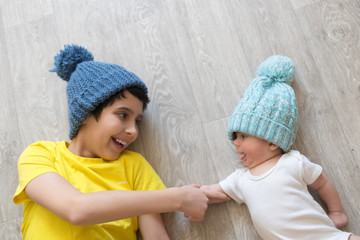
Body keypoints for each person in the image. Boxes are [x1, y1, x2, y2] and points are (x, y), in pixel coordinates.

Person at [13, 44, 215, 240]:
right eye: (122, 115)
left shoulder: (134, 167)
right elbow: (76, 209)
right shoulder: (40, 155)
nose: (133, 130)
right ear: (85, 112)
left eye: (137, 121)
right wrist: (178, 198)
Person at [200, 55, 360, 240]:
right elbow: (215, 192)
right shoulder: (240, 179)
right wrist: (187, 196)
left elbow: (322, 183)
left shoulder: (293, 162)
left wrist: (336, 211)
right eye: (235, 137)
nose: (235, 142)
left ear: (272, 141)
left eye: (243, 136)